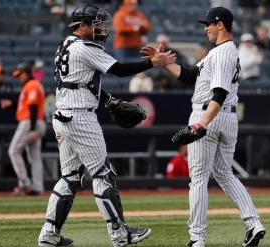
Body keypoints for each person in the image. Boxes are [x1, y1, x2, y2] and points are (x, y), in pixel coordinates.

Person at [37, 5, 175, 247]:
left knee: (69, 177)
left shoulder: (65, 46)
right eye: (96, 23)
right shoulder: (84, 46)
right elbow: (119, 70)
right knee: (103, 173)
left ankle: (49, 234)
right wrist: (153, 63)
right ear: (82, 26)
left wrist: (109, 100)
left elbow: (80, 82)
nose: (101, 28)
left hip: (63, 115)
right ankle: (120, 233)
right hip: (81, 118)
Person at [142, 6, 265, 247]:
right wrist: (163, 63)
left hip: (209, 113)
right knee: (224, 173)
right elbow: (189, 76)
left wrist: (201, 123)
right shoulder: (219, 52)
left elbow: (219, 93)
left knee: (198, 178)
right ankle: (253, 223)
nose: (205, 28)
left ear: (220, 25)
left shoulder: (222, 53)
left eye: (208, 23)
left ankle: (197, 238)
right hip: (227, 118)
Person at [0, 63, 46, 196]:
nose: (19, 77)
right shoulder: (31, 85)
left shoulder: (32, 85)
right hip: (35, 122)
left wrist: (32, 129)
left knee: (13, 151)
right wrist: (12, 104)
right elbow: (27, 107)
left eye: (20, 75)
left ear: (26, 73)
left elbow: (33, 108)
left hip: (30, 123)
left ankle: (25, 184)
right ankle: (37, 187)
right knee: (34, 156)